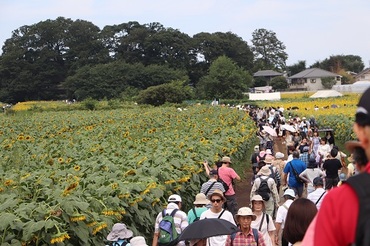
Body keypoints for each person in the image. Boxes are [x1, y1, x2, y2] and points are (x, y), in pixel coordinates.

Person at [301, 87, 370, 245]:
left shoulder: (340, 201)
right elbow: (341, 167)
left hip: (332, 179)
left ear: (359, 132)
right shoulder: (338, 162)